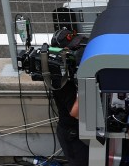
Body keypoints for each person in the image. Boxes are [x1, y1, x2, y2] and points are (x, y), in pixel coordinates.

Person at [47, 29, 88, 166]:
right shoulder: (61, 80)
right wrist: (86, 83)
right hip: (73, 134)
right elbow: (76, 112)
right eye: (74, 49)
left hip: (81, 130)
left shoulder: (72, 70)